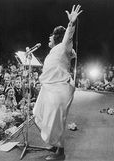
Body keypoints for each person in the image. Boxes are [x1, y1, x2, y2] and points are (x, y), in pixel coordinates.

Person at [33, 5, 82, 160]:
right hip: (49, 88)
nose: (49, 38)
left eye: (50, 36)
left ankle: (60, 153)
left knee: (56, 120)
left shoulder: (63, 47)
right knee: (38, 112)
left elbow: (68, 36)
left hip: (61, 88)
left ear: (56, 38)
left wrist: (71, 24)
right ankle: (53, 142)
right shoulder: (55, 51)